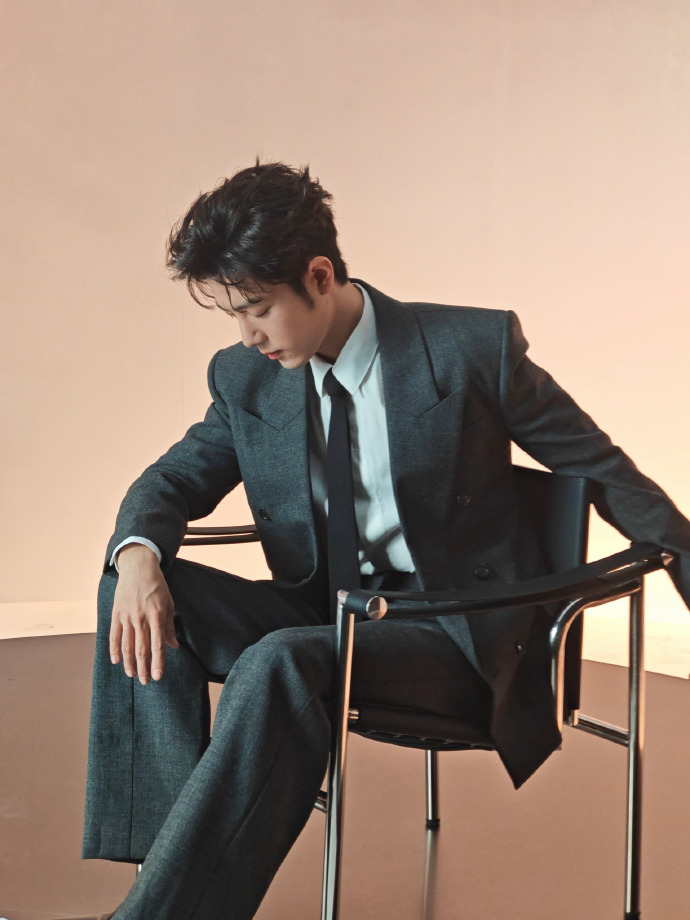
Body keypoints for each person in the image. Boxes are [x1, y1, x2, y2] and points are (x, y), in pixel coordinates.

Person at [81, 162, 690, 920]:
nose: (248, 335)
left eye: (259, 309)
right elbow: (170, 481)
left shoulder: (469, 349)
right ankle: (165, 883)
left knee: (279, 660)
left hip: (455, 635)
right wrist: (140, 555)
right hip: (326, 612)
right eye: (234, 316)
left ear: (319, 275)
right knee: (132, 583)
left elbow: (603, 470)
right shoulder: (246, 378)